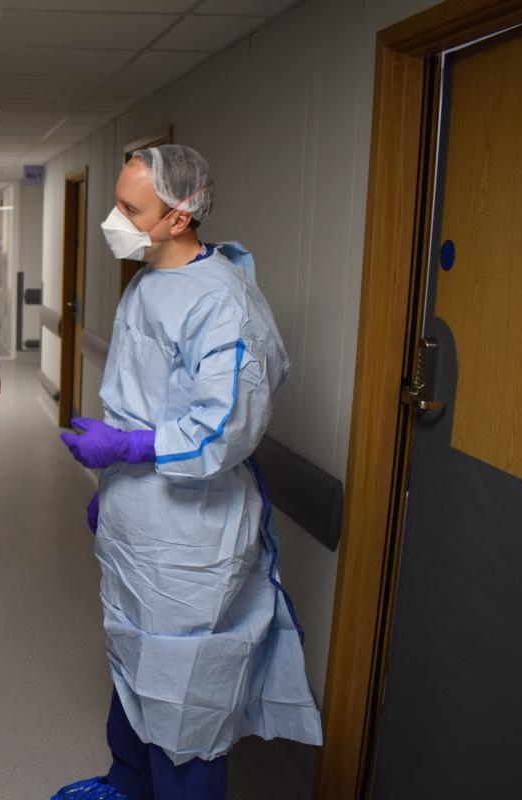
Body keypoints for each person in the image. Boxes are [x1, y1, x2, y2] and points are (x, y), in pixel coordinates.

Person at [53, 145, 322, 800]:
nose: (113, 219)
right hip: (141, 525)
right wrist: (114, 490)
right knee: (132, 664)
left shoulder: (223, 306)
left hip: (189, 540)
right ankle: (127, 785)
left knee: (184, 700)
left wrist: (127, 450)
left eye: (129, 208)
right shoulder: (150, 279)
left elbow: (221, 430)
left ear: (178, 217)